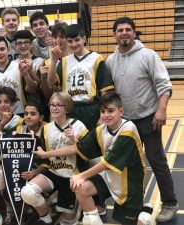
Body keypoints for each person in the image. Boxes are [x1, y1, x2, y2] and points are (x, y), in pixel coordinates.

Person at [36, 91, 152, 225]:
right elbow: (76, 148)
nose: (106, 115)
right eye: (103, 111)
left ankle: (144, 216)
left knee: (132, 221)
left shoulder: (129, 130)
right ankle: (93, 220)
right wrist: (46, 154)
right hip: (108, 176)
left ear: (121, 111)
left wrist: (82, 175)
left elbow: (108, 162)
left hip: (129, 181)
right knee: (79, 187)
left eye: (110, 111)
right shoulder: (100, 130)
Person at [106, 16, 178, 223]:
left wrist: (161, 110)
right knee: (128, 165)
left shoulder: (148, 55)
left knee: (157, 161)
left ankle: (170, 202)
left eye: (128, 29)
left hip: (148, 118)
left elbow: (164, 85)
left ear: (134, 33)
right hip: (125, 123)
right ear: (115, 34)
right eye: (120, 30)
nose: (124, 33)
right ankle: (132, 204)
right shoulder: (111, 60)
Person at [20, 92, 88, 225]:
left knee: (67, 222)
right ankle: (46, 219)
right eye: (52, 105)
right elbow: (44, 160)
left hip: (72, 176)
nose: (54, 108)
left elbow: (87, 155)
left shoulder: (79, 125)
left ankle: (77, 203)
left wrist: (74, 140)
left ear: (67, 108)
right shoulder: (46, 129)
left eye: (58, 105)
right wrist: (18, 138)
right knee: (27, 192)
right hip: (53, 172)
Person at [48, 24, 114, 130]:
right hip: (70, 109)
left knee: (92, 144)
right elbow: (51, 82)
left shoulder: (97, 59)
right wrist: (54, 60)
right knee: (72, 142)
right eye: (70, 41)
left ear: (84, 39)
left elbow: (105, 91)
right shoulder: (64, 61)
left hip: (91, 109)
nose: (73, 44)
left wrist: (103, 114)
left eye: (77, 40)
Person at [0, 36, 37, 115]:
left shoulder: (19, 66)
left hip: (21, 113)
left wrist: (26, 74)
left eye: (2, 49)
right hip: (2, 116)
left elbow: (33, 90)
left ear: (8, 49)